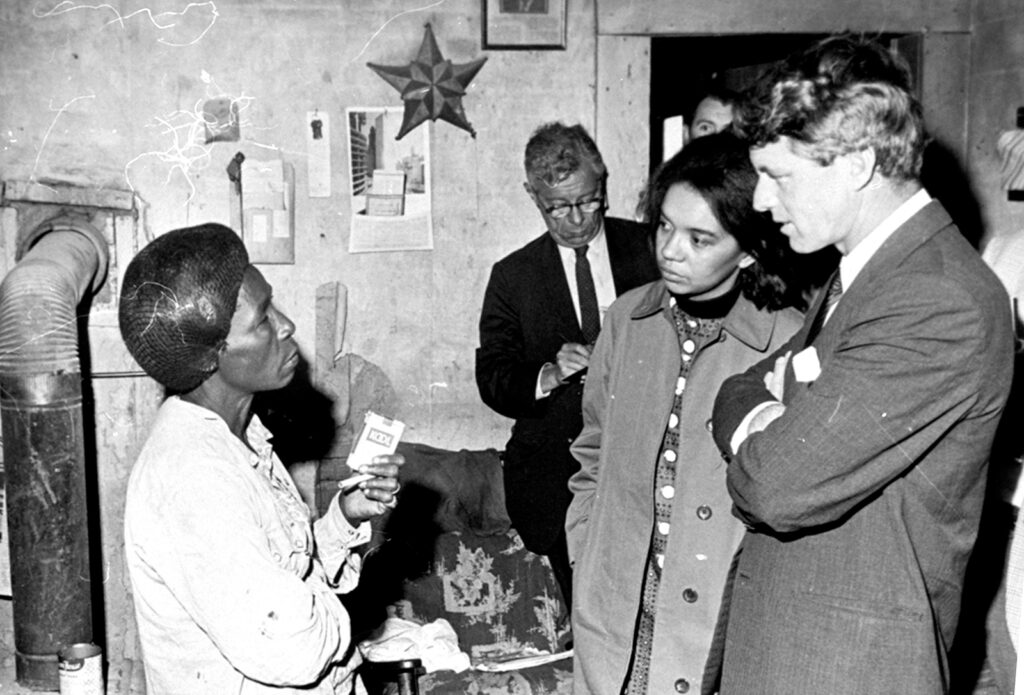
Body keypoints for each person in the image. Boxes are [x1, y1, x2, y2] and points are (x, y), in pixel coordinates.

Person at [708, 35, 1014, 694]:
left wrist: (766, 421)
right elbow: (735, 388)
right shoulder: (866, 274)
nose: (761, 202)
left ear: (855, 164)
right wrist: (768, 417)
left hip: (848, 668)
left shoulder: (937, 297)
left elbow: (775, 486)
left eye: (778, 175)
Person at [566, 131, 806, 695]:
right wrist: (587, 552)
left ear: (748, 249)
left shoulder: (790, 341)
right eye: (665, 227)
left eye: (701, 239)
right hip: (614, 610)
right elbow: (591, 450)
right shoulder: (627, 320)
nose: (671, 250)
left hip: (715, 623)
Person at [119, 223, 402, 694]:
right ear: (212, 355)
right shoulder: (193, 475)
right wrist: (366, 600)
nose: (287, 325)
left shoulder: (243, 435)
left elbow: (279, 570)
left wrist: (341, 519)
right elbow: (292, 648)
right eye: (264, 319)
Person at [475, 122, 659, 613]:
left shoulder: (653, 249)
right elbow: (492, 377)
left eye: (587, 201)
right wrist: (547, 375)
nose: (576, 220)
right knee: (590, 619)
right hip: (556, 481)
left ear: (603, 186)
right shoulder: (513, 277)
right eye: (557, 207)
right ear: (532, 196)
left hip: (648, 466)